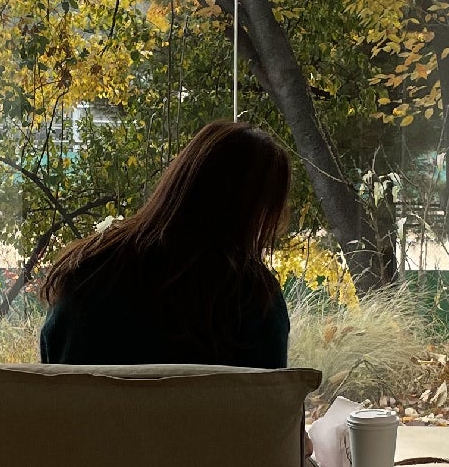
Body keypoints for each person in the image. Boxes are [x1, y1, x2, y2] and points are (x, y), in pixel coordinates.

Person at [39, 120, 293, 369]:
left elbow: (55, 382)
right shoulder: (255, 298)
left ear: (180, 179)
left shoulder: (86, 271)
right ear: (259, 211)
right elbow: (272, 404)